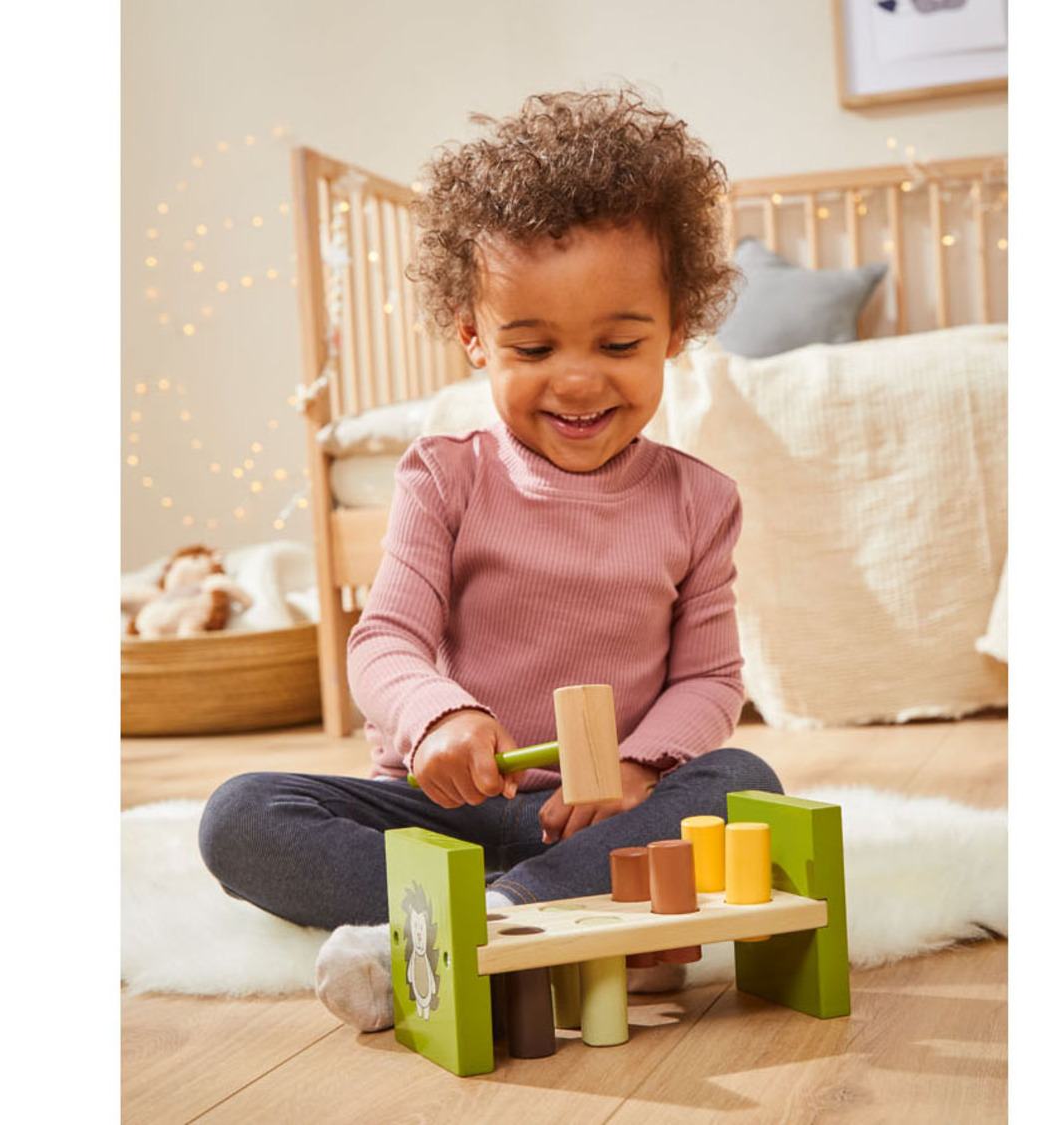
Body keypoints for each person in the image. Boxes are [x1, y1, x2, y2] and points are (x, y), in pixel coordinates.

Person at [198, 86, 783, 1031]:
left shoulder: (701, 502)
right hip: (441, 817)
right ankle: (549, 912)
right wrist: (438, 717)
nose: (579, 378)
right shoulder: (444, 476)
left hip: (605, 815)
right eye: (533, 345)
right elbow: (384, 639)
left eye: (620, 342)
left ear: (675, 329)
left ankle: (499, 914)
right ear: (474, 337)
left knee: (743, 782)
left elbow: (710, 679)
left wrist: (637, 768)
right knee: (239, 814)